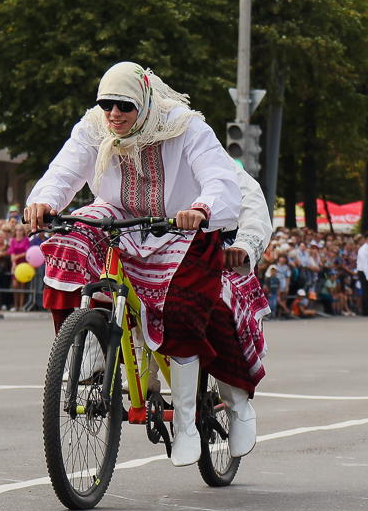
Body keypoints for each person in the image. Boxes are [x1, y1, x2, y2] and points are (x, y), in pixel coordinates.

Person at [24, 62, 244, 468]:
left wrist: (201, 208)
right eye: (106, 104)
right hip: (121, 219)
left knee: (180, 309)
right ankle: (89, 345)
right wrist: (43, 202)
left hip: (178, 224)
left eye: (124, 105)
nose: (114, 113)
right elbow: (64, 171)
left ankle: (187, 424)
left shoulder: (184, 126)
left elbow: (220, 179)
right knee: (69, 239)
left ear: (143, 102)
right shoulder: (94, 127)